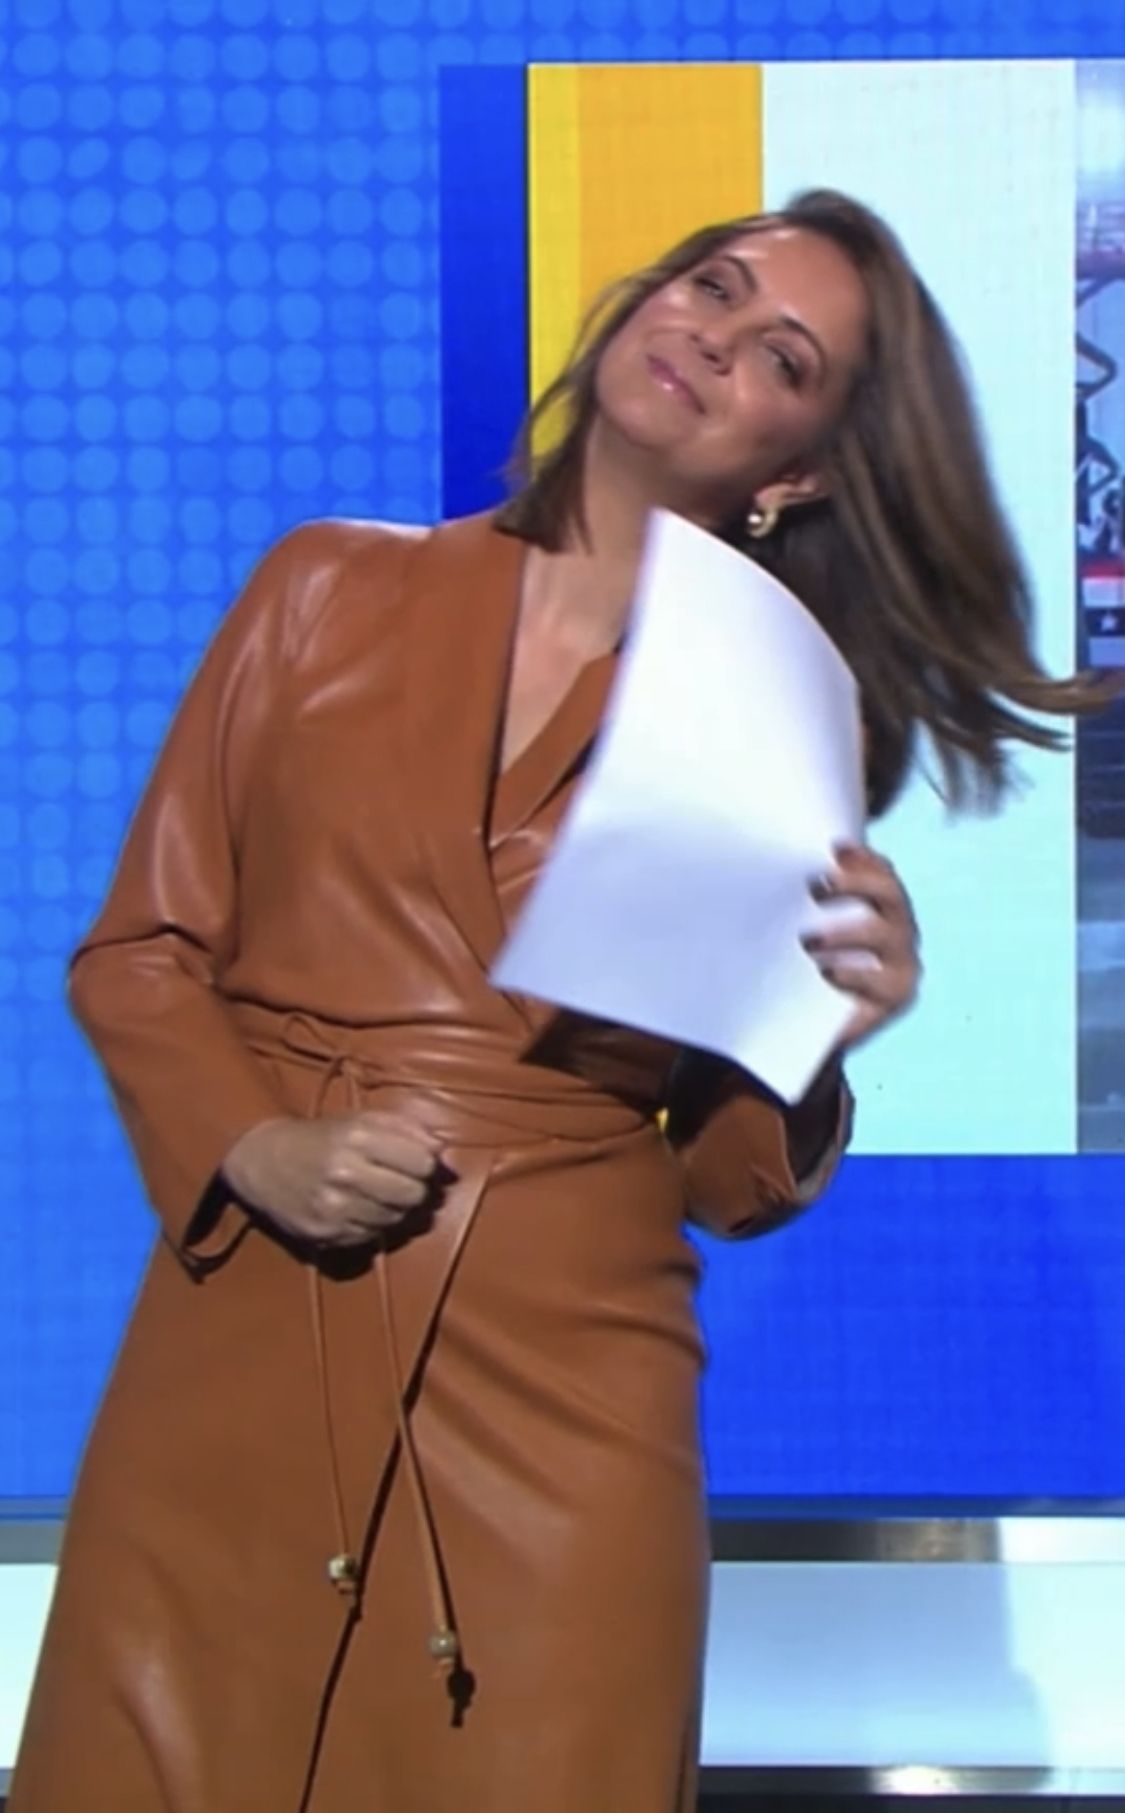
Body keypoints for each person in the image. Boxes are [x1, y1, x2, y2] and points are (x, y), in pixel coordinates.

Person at [9, 189, 1100, 1813]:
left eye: (780, 356)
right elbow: (141, 950)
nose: (713, 340)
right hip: (250, 1335)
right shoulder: (323, 584)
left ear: (796, 473)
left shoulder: (779, 727)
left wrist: (820, 1040)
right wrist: (252, 1141)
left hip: (564, 1393)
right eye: (709, 287)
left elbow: (722, 1179)